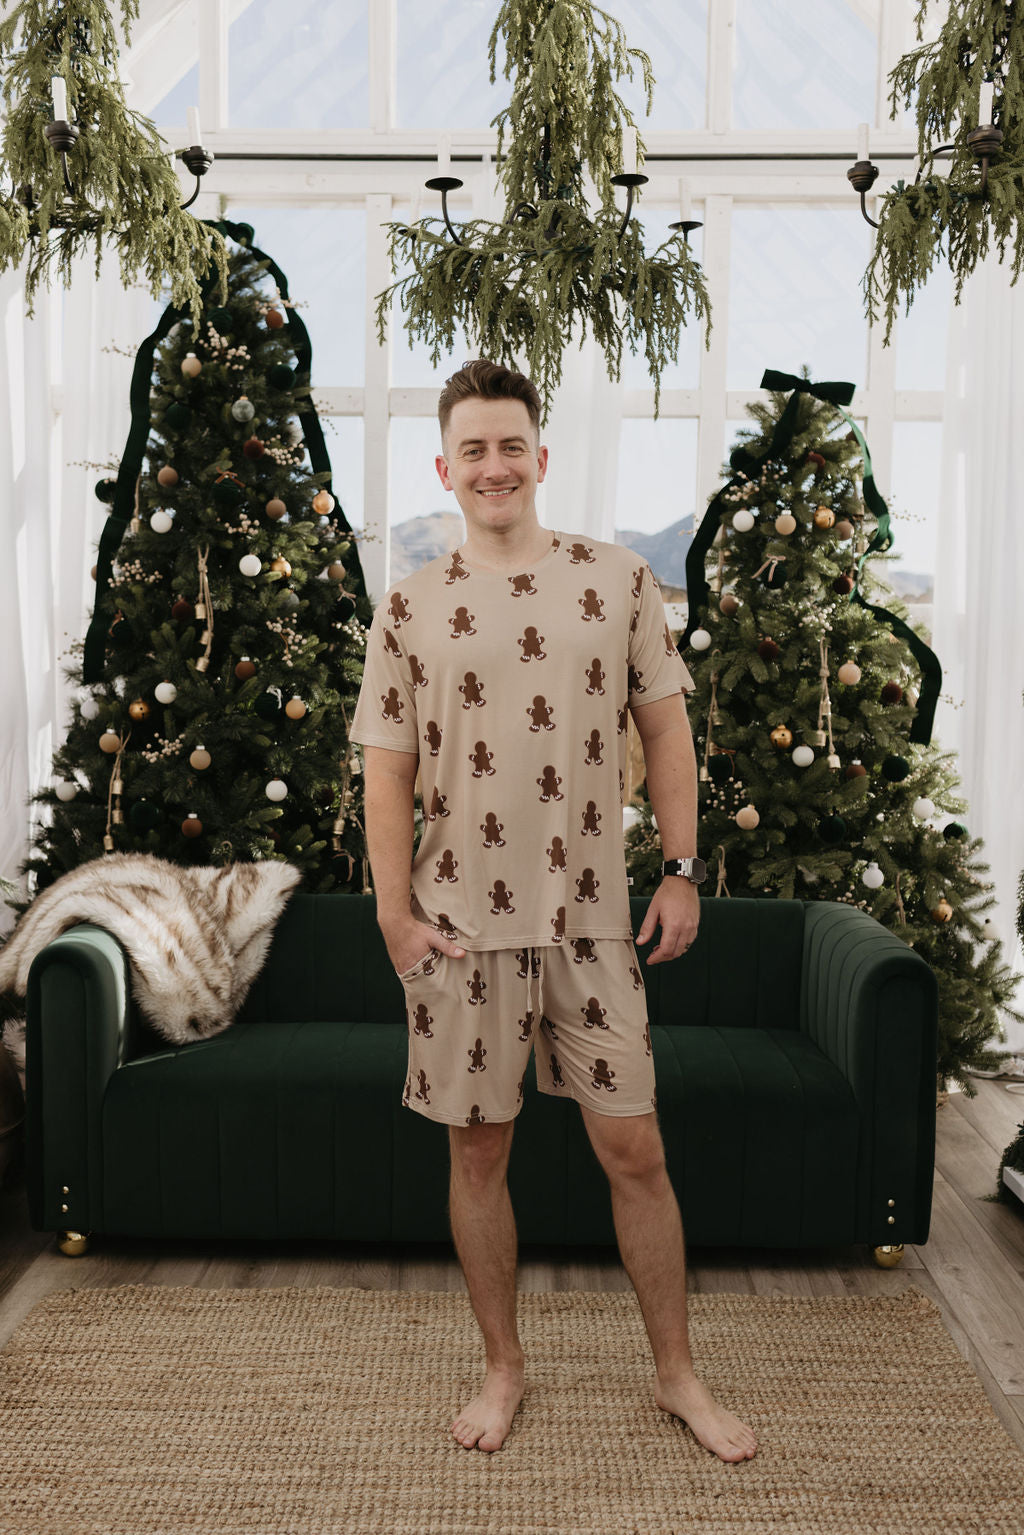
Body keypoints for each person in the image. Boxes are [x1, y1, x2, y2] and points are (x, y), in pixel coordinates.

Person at [349, 359, 757, 1464]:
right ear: (446, 467)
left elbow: (666, 730)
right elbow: (384, 770)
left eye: (510, 444)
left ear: (540, 456)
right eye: (472, 449)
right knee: (478, 1157)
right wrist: (392, 914)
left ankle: (676, 1374)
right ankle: (503, 1365)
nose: (494, 465)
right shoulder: (409, 603)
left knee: (636, 1151)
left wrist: (680, 866)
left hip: (591, 920)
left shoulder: (616, 580)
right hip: (458, 929)